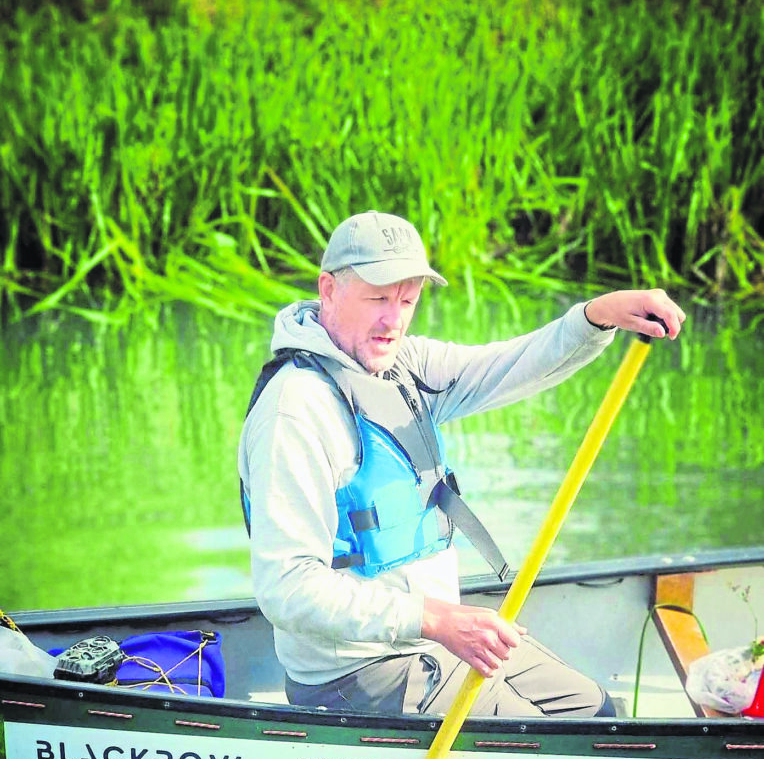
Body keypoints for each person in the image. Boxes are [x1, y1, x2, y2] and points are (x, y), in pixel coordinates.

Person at [238, 211, 685, 719]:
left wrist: (597, 316)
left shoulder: (404, 366)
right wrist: (434, 620)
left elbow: (512, 365)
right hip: (355, 675)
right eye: (378, 298)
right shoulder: (294, 410)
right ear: (329, 290)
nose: (394, 320)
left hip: (433, 643)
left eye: (407, 300)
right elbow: (287, 587)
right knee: (567, 748)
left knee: (598, 713)